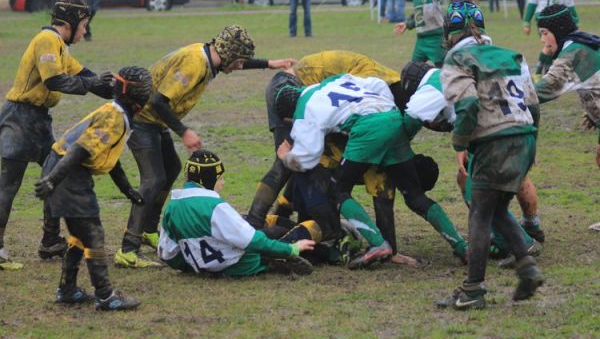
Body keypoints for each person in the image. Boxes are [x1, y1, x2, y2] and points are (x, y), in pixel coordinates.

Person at [114, 25, 293, 268]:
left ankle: (147, 229)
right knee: (153, 180)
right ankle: (128, 248)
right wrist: (184, 132)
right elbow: (158, 102)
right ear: (228, 54)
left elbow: (236, 59)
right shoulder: (195, 63)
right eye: (239, 62)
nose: (239, 67)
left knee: (171, 169)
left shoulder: (210, 56)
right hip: (142, 118)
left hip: (154, 120)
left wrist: (270, 63)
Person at [275, 74, 469, 267]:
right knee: (415, 195)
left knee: (337, 190)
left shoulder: (302, 110)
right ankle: (462, 247)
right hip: (392, 117)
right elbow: (376, 83)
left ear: (287, 115)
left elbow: (308, 157)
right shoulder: (331, 81)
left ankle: (378, 244)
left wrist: (286, 157)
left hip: (367, 128)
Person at [437, 1, 544, 310]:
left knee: (480, 214)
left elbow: (469, 105)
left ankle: (472, 290)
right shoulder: (513, 55)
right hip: (523, 136)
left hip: (494, 138)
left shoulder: (456, 58)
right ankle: (526, 265)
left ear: (449, 32)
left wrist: (460, 144)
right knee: (495, 208)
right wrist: (532, 143)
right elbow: (533, 105)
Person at [0, 0, 113, 271]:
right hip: (20, 119)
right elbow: (55, 80)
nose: (85, 30)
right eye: (84, 24)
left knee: (57, 176)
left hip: (38, 121)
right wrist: (92, 84)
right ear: (71, 22)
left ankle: (50, 241)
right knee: (8, 186)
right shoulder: (47, 40)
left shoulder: (61, 46)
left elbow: (84, 75)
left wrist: (118, 89)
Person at [399, 61, 544, 267]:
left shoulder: (430, 87)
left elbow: (411, 120)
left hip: (495, 134)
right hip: (512, 125)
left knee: (478, 193)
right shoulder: (448, 75)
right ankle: (504, 240)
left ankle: (522, 243)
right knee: (470, 183)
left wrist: (394, 149)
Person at [34, 66, 153, 311]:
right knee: (93, 234)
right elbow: (79, 150)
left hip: (66, 170)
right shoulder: (115, 117)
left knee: (80, 235)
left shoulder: (117, 113)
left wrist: (128, 190)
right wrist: (53, 180)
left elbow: (110, 157)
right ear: (138, 99)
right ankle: (106, 296)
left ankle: (67, 290)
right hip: (67, 172)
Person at [158, 150, 315, 276]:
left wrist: (193, 266)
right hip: (241, 265)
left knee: (266, 227)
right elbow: (252, 240)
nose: (223, 182)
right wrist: (291, 249)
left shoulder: (171, 207)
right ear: (209, 179)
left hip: (202, 265)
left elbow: (167, 253)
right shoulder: (215, 207)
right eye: (220, 178)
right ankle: (279, 259)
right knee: (278, 232)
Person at [535, 5, 600, 170]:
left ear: (557, 32)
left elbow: (548, 87)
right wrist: (593, 114)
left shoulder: (572, 54)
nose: (542, 40)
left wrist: (509, 97)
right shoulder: (585, 41)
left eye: (544, 33)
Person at [523, 0, 579, 77]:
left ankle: (544, 73)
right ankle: (541, 73)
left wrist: (575, 19)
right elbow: (532, 3)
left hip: (557, 19)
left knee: (553, 47)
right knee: (549, 45)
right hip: (542, 18)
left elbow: (569, 4)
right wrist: (526, 22)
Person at [394, 0, 452, 67]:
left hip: (436, 39)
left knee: (443, 69)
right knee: (413, 68)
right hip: (421, 41)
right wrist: (407, 24)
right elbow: (419, 17)